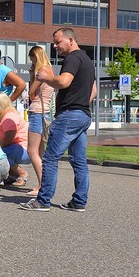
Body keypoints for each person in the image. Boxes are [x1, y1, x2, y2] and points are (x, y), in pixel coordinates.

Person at [19, 27, 97, 213]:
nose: (55, 46)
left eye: (58, 42)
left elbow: (63, 82)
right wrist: (80, 103)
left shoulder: (72, 58)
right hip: (83, 115)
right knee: (79, 161)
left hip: (69, 115)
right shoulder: (87, 60)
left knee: (50, 157)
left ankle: (43, 201)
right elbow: (93, 90)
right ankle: (79, 201)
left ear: (70, 40)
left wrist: (47, 78)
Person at [25, 46, 55, 197]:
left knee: (32, 150)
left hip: (37, 112)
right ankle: (43, 184)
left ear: (36, 57)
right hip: (45, 113)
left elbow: (31, 93)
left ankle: (42, 186)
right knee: (40, 152)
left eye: (32, 59)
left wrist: (32, 76)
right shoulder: (50, 69)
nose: (32, 62)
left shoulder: (42, 71)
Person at [0, 92, 31, 187]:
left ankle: (22, 173)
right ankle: (12, 175)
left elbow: (7, 140)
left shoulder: (10, 118)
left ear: (1, 104)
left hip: (24, 150)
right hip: (13, 148)